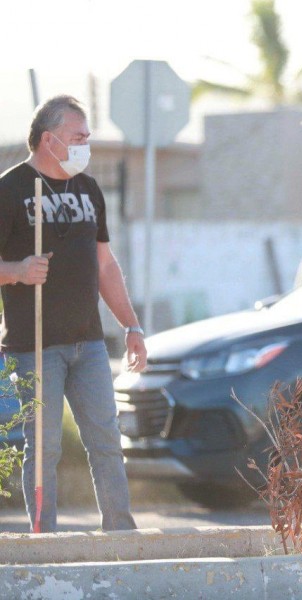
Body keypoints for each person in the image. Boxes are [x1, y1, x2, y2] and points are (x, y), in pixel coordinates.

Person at [0, 95, 146, 532]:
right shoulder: (9, 190)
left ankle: (121, 536)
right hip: (35, 346)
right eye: (78, 137)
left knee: (106, 441)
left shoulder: (87, 188)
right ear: (50, 140)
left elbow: (106, 265)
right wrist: (18, 271)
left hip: (90, 343)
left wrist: (131, 326)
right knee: (43, 449)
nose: (86, 145)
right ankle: (45, 539)